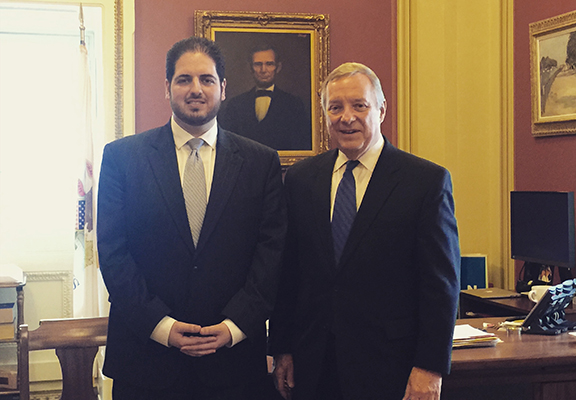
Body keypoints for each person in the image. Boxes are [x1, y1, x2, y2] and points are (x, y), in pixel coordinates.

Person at [97, 36, 286, 400]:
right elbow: (114, 254)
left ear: (223, 88)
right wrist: (161, 325)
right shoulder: (123, 158)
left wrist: (234, 326)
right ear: (167, 87)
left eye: (207, 79)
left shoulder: (261, 162)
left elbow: (271, 255)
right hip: (146, 358)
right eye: (184, 79)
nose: (195, 89)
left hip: (233, 361)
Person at [269, 62, 460, 400]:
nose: (347, 117)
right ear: (325, 114)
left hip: (390, 367)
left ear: (381, 109)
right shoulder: (301, 179)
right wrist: (282, 348)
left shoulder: (424, 182)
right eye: (336, 107)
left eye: (359, 105)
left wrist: (430, 367)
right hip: (314, 365)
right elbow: (290, 272)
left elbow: (440, 285)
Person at [218, 44, 312, 150]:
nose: (263, 70)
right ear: (250, 68)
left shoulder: (294, 104)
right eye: (258, 64)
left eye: (269, 64)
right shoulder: (235, 104)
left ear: (278, 67)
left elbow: (301, 144)